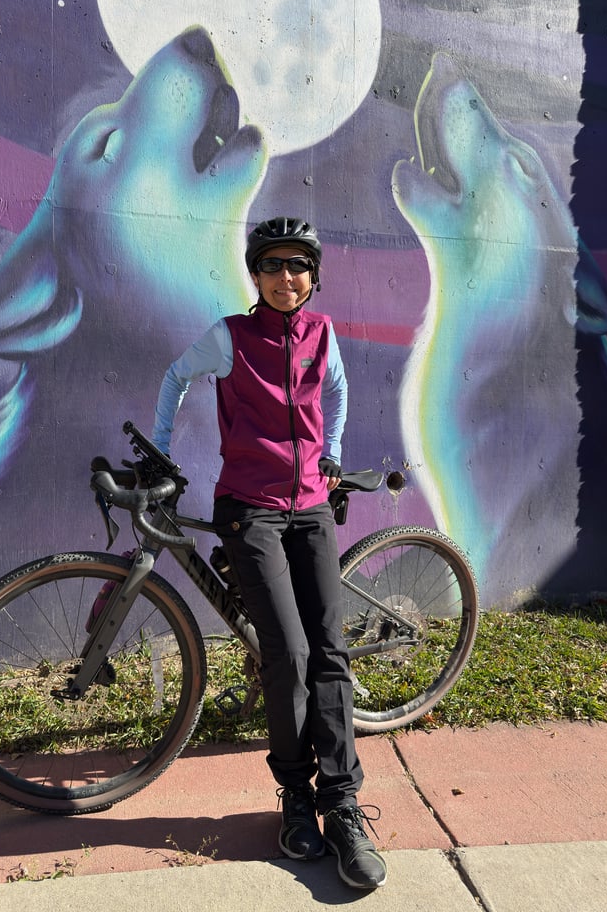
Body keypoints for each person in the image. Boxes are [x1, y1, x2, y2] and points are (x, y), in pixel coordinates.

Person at [152, 217, 387, 891]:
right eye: (275, 266)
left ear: (314, 276)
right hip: (251, 509)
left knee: (330, 652)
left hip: (311, 505)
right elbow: (175, 378)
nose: (289, 278)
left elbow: (337, 391)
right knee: (288, 654)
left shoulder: (323, 333)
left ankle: (341, 803)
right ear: (255, 275)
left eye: (300, 266)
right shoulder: (230, 337)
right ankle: (294, 794)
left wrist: (332, 452)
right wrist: (164, 457)